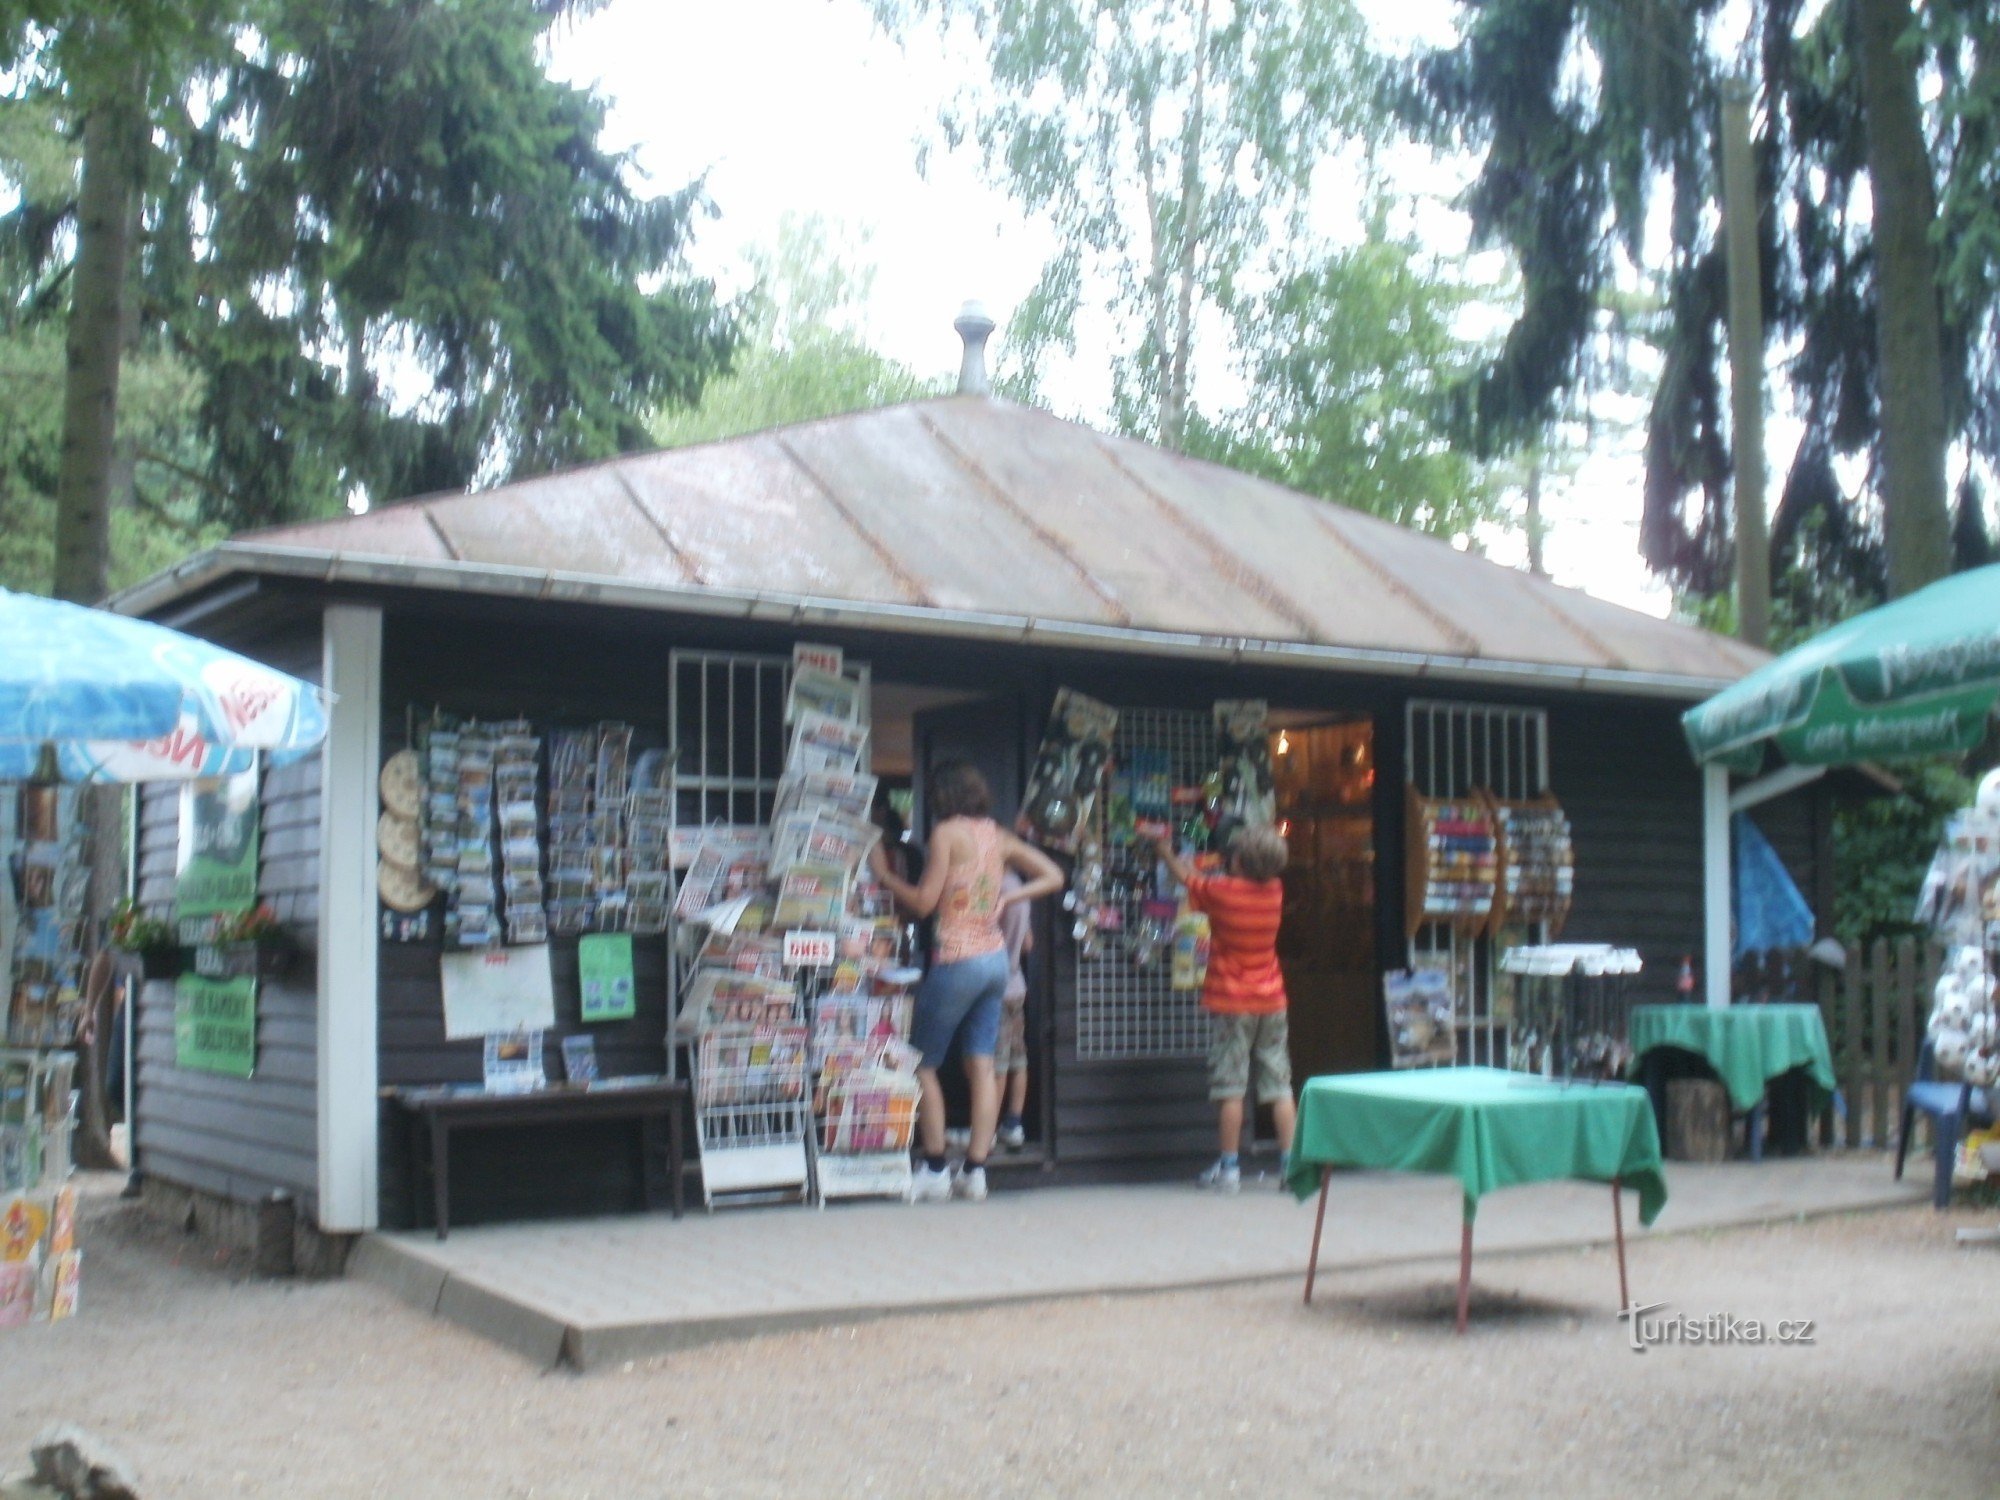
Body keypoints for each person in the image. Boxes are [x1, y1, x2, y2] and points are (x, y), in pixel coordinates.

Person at [868, 761, 1063, 1203]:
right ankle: (975, 1172)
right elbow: (1054, 876)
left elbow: (921, 902)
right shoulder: (999, 836)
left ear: (941, 798)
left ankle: (935, 1167)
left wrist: (882, 874)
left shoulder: (946, 834)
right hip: (996, 962)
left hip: (958, 958)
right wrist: (1012, 894)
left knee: (922, 1063)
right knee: (982, 1066)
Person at [1155, 822, 1294, 1193]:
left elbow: (1188, 879)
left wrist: (1165, 851)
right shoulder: (1275, 891)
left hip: (1233, 1002)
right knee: (1278, 1085)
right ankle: (1290, 1166)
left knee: (1231, 1087)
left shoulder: (1223, 891)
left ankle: (1230, 1168)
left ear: (1239, 861)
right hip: (1272, 1000)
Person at [994, 871, 1032, 1150]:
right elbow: (1029, 942)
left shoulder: (994, 888)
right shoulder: (1019, 888)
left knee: (996, 1063)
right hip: (1017, 984)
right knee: (1017, 1057)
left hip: (996, 986)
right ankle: (1013, 1123)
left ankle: (987, 1130)